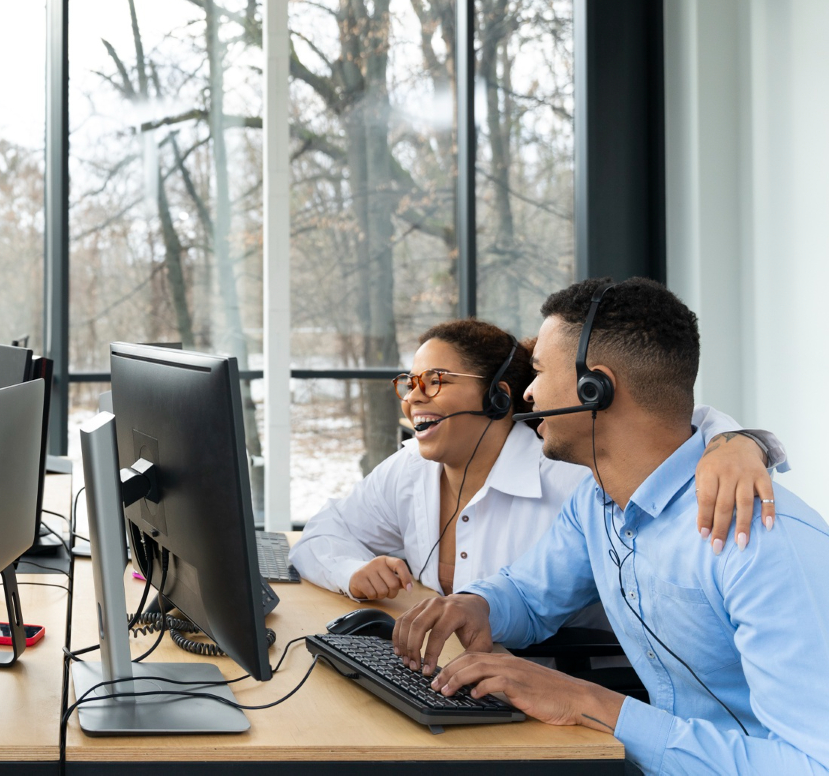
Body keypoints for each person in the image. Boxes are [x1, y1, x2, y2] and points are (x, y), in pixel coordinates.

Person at [392, 278, 829, 774]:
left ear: (593, 388)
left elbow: (811, 763)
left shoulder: (761, 544)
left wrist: (589, 702)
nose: (529, 394)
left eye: (537, 373)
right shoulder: (597, 504)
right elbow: (532, 594)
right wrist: (475, 606)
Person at [290, 318, 785, 603]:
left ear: (500, 397)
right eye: (410, 383)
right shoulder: (411, 469)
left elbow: (663, 421)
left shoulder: (569, 473)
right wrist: (354, 572)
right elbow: (320, 533)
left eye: (435, 380)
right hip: (452, 681)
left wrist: (739, 441)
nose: (413, 398)